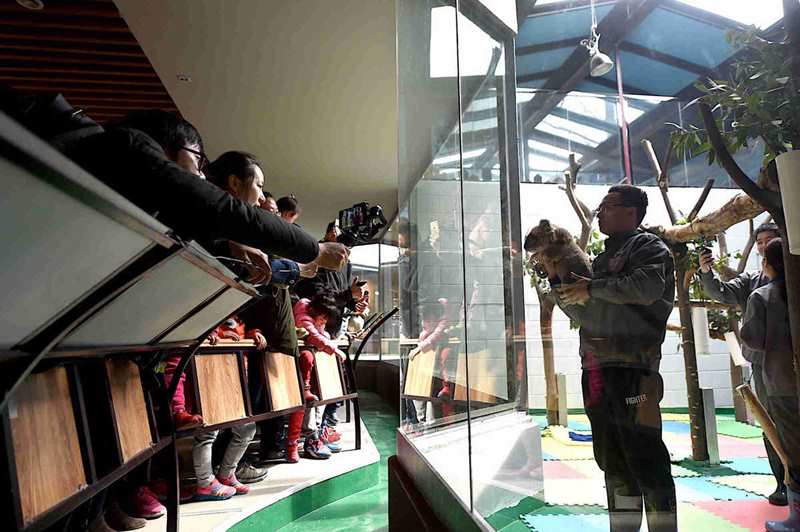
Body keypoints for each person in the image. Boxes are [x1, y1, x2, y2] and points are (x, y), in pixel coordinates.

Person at [0, 93, 348, 271]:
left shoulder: (119, 164)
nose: (198, 174)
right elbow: (216, 207)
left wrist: (229, 242)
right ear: (169, 146)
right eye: (197, 161)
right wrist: (314, 249)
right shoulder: (130, 146)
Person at [549, 185, 677, 531]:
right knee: (611, 457)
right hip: (595, 368)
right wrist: (555, 278)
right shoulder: (600, 261)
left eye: (606, 206)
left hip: (635, 370)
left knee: (644, 453)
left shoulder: (651, 248)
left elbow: (645, 288)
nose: (599, 213)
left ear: (631, 212)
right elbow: (581, 313)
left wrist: (590, 288)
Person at [698, 222, 787, 505]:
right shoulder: (753, 282)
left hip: (782, 363)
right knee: (771, 423)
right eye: (759, 241)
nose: (762, 246)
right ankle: (783, 482)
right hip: (766, 366)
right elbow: (721, 293)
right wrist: (705, 271)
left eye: (769, 240)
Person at [740, 238, 800, 531]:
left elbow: (751, 340)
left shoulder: (762, 296)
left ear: (767, 264)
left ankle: (796, 517)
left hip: (782, 382)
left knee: (792, 450)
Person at [286, 294, 346, 462]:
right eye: (324, 317)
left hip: (313, 376)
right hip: (297, 370)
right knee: (304, 405)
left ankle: (315, 437)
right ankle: (302, 442)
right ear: (316, 311)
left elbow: (321, 334)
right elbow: (314, 336)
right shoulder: (304, 316)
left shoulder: (312, 316)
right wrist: (334, 349)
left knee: (316, 403)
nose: (324, 321)